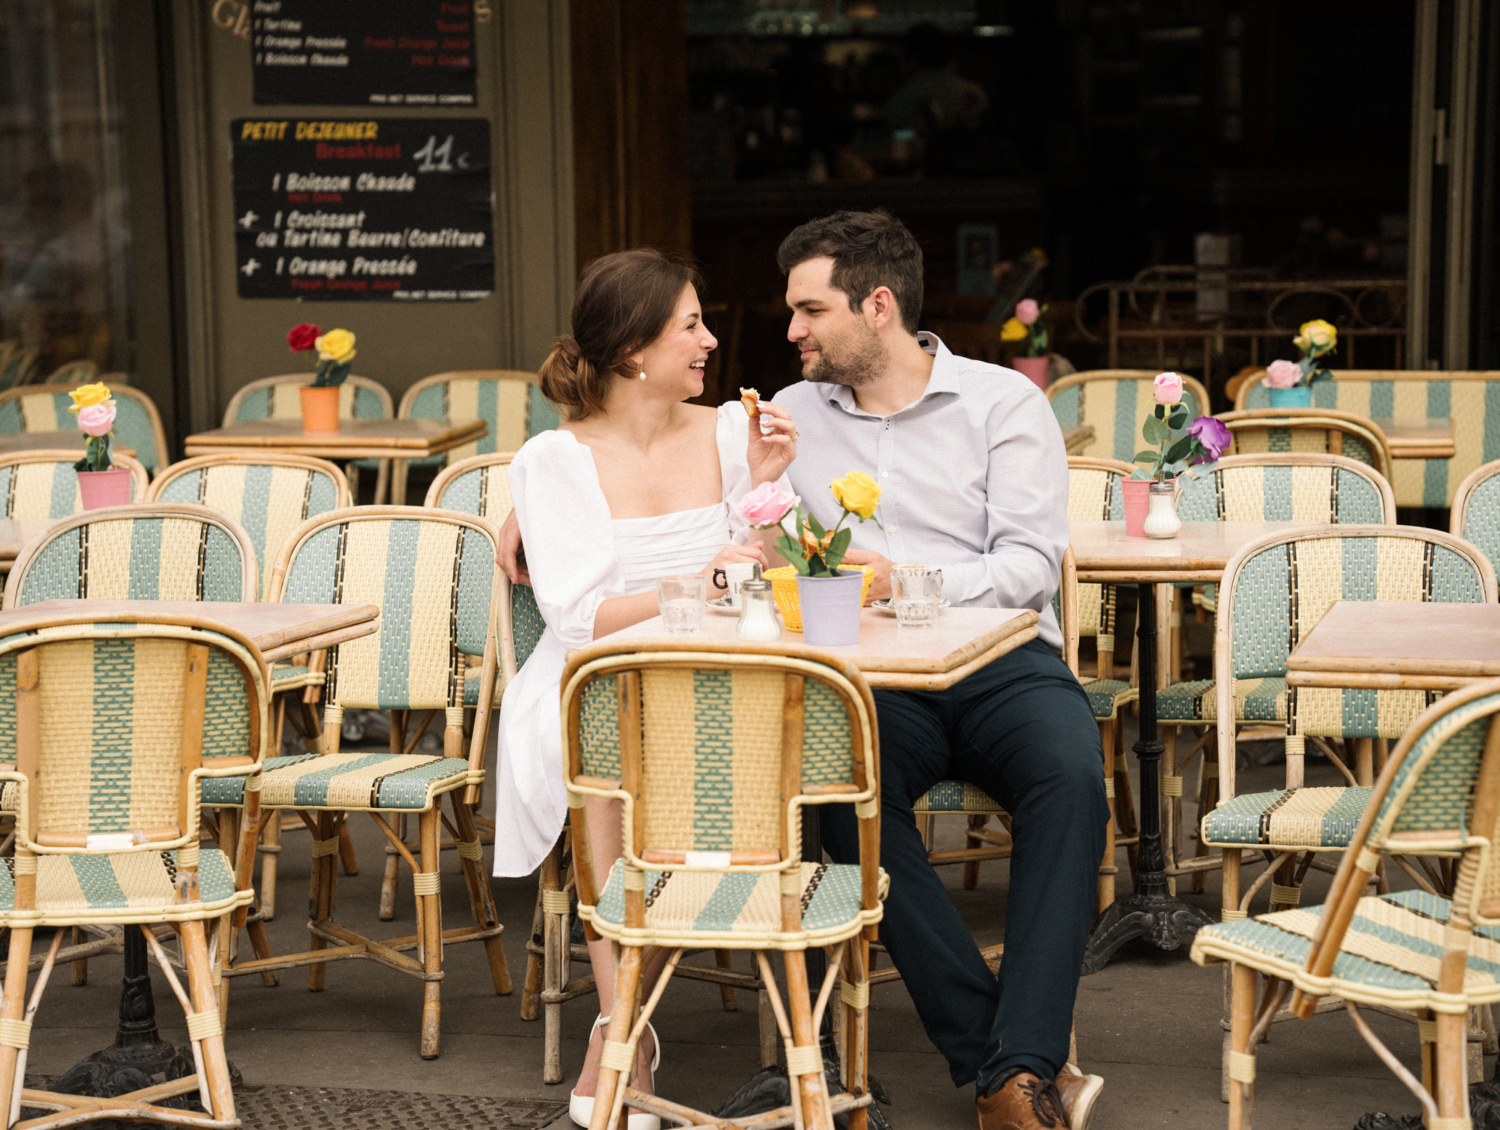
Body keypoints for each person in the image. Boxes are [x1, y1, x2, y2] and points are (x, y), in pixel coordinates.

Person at [500, 213, 1109, 1130]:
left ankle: (1011, 1067)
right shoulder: (786, 415)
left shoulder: (1003, 403)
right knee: (831, 797)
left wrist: (908, 580)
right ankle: (1007, 1062)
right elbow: (629, 448)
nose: (789, 332)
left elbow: (1028, 566)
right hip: (865, 677)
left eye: (808, 310)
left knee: (1072, 779)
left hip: (997, 660)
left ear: (877, 305)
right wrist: (519, 507)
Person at [489, 248, 797, 1129]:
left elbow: (763, 572)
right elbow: (581, 619)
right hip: (598, 670)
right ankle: (623, 1025)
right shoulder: (554, 461)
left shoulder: (738, 434)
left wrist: (766, 497)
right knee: (608, 743)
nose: (709, 341)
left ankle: (640, 1017)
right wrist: (698, 583)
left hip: (722, 660)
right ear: (632, 351)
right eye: (690, 325)